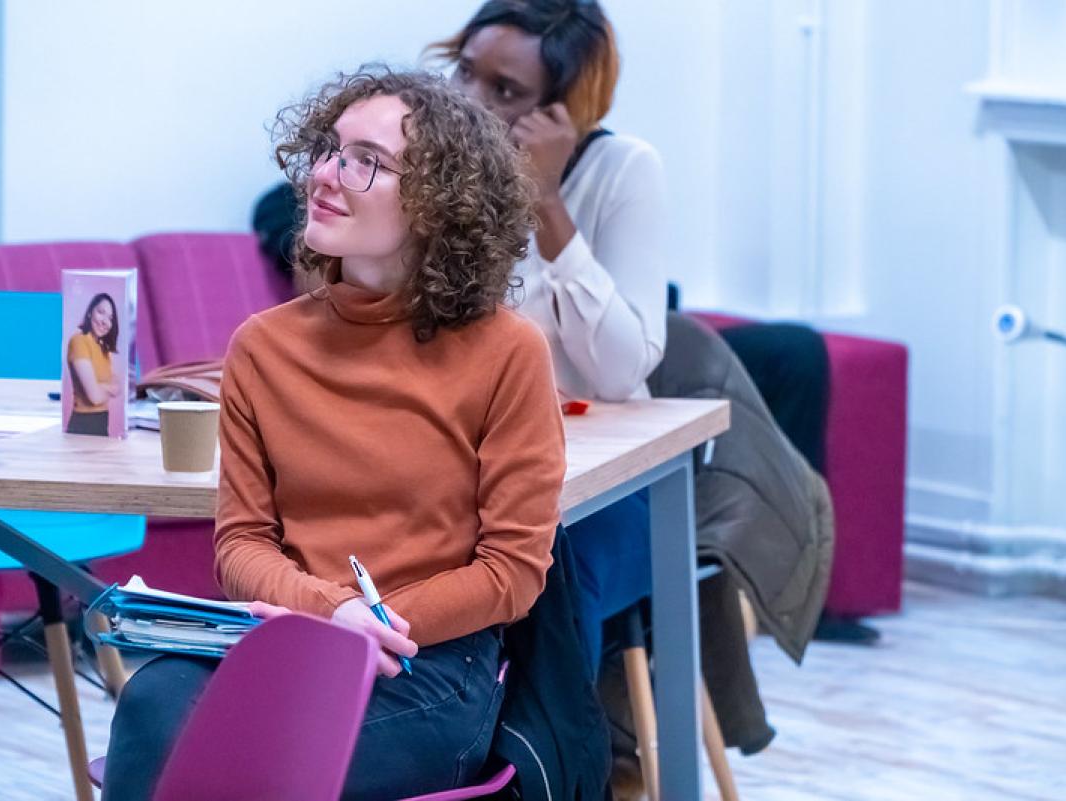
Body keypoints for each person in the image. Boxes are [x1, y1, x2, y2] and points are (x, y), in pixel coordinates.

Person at [101, 66, 566, 801]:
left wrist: (376, 625)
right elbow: (242, 544)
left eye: (365, 161)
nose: (324, 173)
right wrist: (331, 614)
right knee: (156, 698)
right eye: (329, 148)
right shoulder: (263, 346)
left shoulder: (508, 351)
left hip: (429, 667)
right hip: (287, 644)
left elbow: (513, 569)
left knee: (248, 763)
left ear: (438, 204)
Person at [426, 0, 667, 680]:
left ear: (561, 110)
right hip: (461, 472)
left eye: (505, 92)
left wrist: (547, 201)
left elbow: (620, 373)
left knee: (543, 572)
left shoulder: (624, 170)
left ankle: (544, 772)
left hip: (602, 490)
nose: (470, 104)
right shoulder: (434, 173)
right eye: (465, 74)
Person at [65, 292, 121, 435]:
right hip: (83, 424)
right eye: (101, 312)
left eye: (110, 318)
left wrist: (102, 387)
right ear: (90, 312)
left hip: (102, 422)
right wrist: (107, 389)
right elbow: (95, 397)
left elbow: (118, 388)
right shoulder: (79, 341)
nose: (105, 321)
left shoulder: (104, 349)